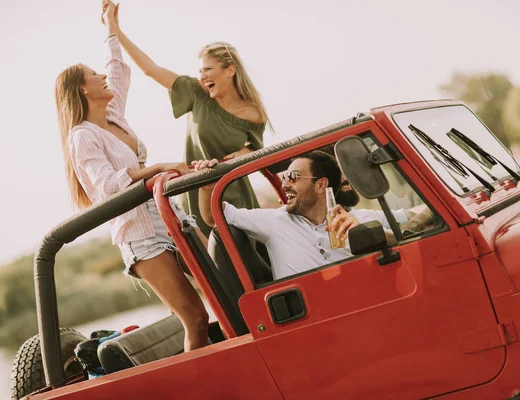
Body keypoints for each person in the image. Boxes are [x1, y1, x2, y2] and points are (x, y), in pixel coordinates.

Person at [54, 1, 208, 352]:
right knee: (196, 319)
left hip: (170, 216)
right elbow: (107, 186)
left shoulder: (112, 114)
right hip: (140, 236)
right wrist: (154, 168)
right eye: (94, 75)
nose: (103, 76)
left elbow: (118, 68)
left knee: (228, 287)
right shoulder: (82, 137)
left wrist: (111, 27)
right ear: (82, 89)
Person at [108, 3, 271, 235]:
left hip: (235, 194)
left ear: (230, 70)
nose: (202, 76)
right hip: (195, 193)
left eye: (208, 70)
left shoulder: (253, 113)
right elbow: (151, 70)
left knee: (252, 263)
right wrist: (115, 29)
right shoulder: (195, 93)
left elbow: (254, 150)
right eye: (200, 71)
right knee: (209, 263)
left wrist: (241, 154)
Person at [195, 151, 410, 280]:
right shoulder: (273, 222)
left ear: (321, 185)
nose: (284, 183)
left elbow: (408, 241)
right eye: (284, 176)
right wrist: (206, 187)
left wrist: (372, 236)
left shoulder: (358, 221)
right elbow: (214, 216)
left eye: (293, 177)